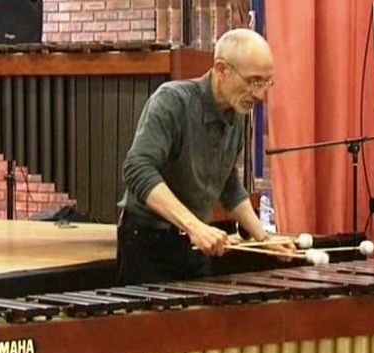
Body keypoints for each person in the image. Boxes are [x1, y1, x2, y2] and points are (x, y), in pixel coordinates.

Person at [117, 28, 293, 284]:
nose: (260, 94)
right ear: (221, 70)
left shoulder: (236, 113)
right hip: (147, 245)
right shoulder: (172, 101)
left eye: (266, 82)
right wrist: (194, 226)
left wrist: (264, 239)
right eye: (253, 81)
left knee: (200, 322)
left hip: (195, 244)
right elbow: (137, 168)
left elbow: (229, 186)